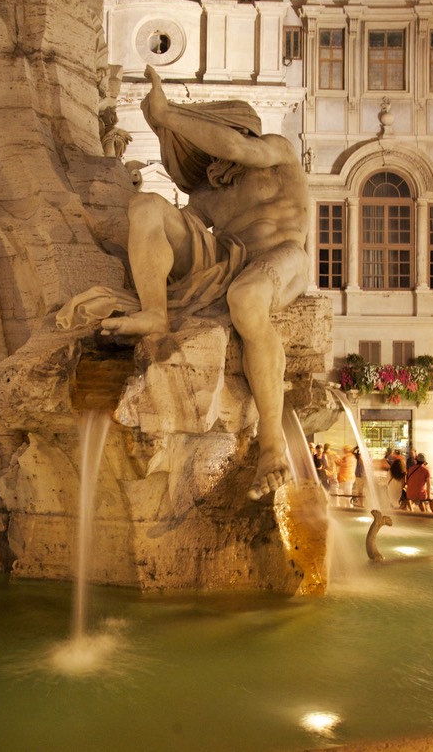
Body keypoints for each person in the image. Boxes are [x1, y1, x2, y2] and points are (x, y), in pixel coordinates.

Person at [66, 64, 310, 501]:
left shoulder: (275, 152)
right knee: (146, 206)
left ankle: (271, 443)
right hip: (228, 258)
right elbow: (170, 240)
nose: (210, 161)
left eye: (209, 144)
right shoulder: (206, 194)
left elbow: (235, 145)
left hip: (282, 258)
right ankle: (155, 313)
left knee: (248, 296)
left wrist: (166, 115)